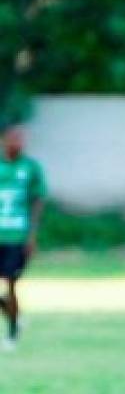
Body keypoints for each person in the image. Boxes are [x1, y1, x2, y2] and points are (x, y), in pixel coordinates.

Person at [0, 124, 46, 351]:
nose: (17, 143)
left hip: (16, 237)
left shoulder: (30, 168)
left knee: (11, 283)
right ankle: (14, 315)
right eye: (13, 138)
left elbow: (37, 201)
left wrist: (31, 235)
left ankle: (12, 332)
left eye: (21, 138)